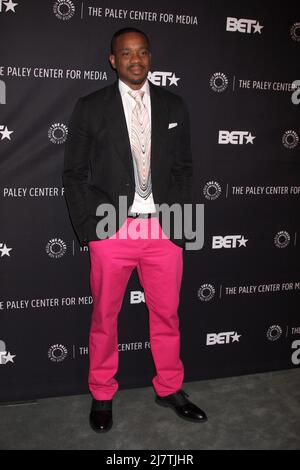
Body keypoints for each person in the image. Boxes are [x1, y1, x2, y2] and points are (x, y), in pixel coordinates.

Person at [63, 27, 207, 433]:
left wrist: (176, 218)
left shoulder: (175, 105)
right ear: (113, 60)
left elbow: (183, 168)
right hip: (112, 230)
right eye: (126, 53)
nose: (136, 59)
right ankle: (103, 393)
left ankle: (169, 387)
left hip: (164, 231)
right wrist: (92, 229)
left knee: (167, 315)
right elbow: (73, 173)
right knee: (105, 317)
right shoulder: (91, 107)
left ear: (150, 56)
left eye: (142, 52)